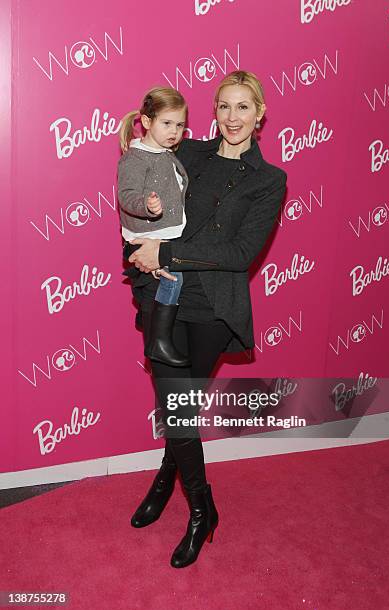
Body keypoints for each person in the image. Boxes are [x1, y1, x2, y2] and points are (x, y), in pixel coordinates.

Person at [123, 70, 287, 569]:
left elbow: (239, 252)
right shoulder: (186, 153)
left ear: (259, 115)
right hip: (165, 300)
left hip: (214, 308)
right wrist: (142, 247)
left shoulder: (269, 180)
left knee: (180, 412)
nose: (232, 118)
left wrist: (167, 249)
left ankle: (171, 483)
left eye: (243, 107)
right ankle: (201, 508)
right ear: (212, 113)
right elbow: (141, 199)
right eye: (223, 107)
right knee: (177, 408)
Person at [118, 87, 191, 367]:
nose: (174, 131)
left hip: (168, 233)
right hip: (148, 236)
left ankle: (148, 319)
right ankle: (159, 341)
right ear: (147, 122)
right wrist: (146, 206)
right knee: (174, 281)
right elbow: (127, 195)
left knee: (172, 281)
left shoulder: (165, 153)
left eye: (180, 125)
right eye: (167, 123)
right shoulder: (136, 158)